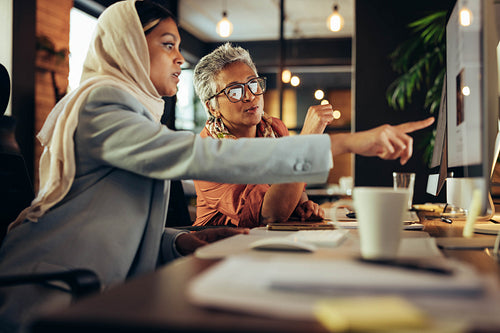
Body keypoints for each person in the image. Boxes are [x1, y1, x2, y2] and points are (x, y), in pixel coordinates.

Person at [0, 1, 433, 332]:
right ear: (129, 47)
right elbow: (197, 155)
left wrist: (183, 241)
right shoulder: (102, 103)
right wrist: (349, 142)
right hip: (48, 290)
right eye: (168, 45)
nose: (179, 58)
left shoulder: (135, 113)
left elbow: (116, 227)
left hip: (94, 287)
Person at [192, 43, 334, 228]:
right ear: (212, 107)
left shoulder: (273, 128)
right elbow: (269, 214)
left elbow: (296, 192)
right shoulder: (207, 152)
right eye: (234, 91)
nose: (250, 96)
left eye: (253, 84)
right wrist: (306, 140)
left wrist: (303, 206)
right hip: (218, 247)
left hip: (267, 241)